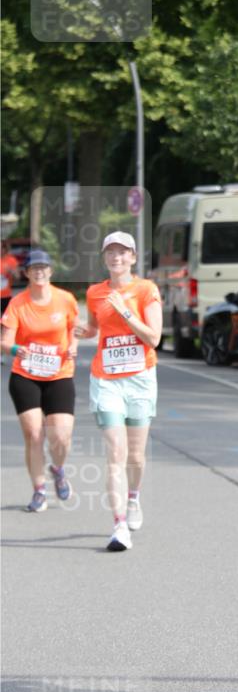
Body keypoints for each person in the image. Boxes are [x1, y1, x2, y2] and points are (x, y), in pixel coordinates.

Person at [74, 232, 162, 552]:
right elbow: (97, 329)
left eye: (123, 252)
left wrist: (126, 311)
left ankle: (134, 498)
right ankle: (118, 525)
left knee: (136, 457)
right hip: (106, 379)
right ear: (104, 257)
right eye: (110, 252)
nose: (116, 258)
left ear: (133, 258)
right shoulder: (95, 293)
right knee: (115, 455)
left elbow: (154, 338)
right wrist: (84, 332)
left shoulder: (145, 290)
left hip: (140, 378)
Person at [1, 250, 78, 512]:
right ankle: (39, 491)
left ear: (51, 271)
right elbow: (5, 342)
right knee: (34, 434)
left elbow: (74, 330)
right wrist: (14, 350)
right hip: (26, 374)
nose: (39, 272)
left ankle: (57, 469)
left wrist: (74, 346)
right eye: (34, 268)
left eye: (43, 267)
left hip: (59, 374)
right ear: (26, 273)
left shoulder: (65, 300)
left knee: (61, 436)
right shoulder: (18, 303)